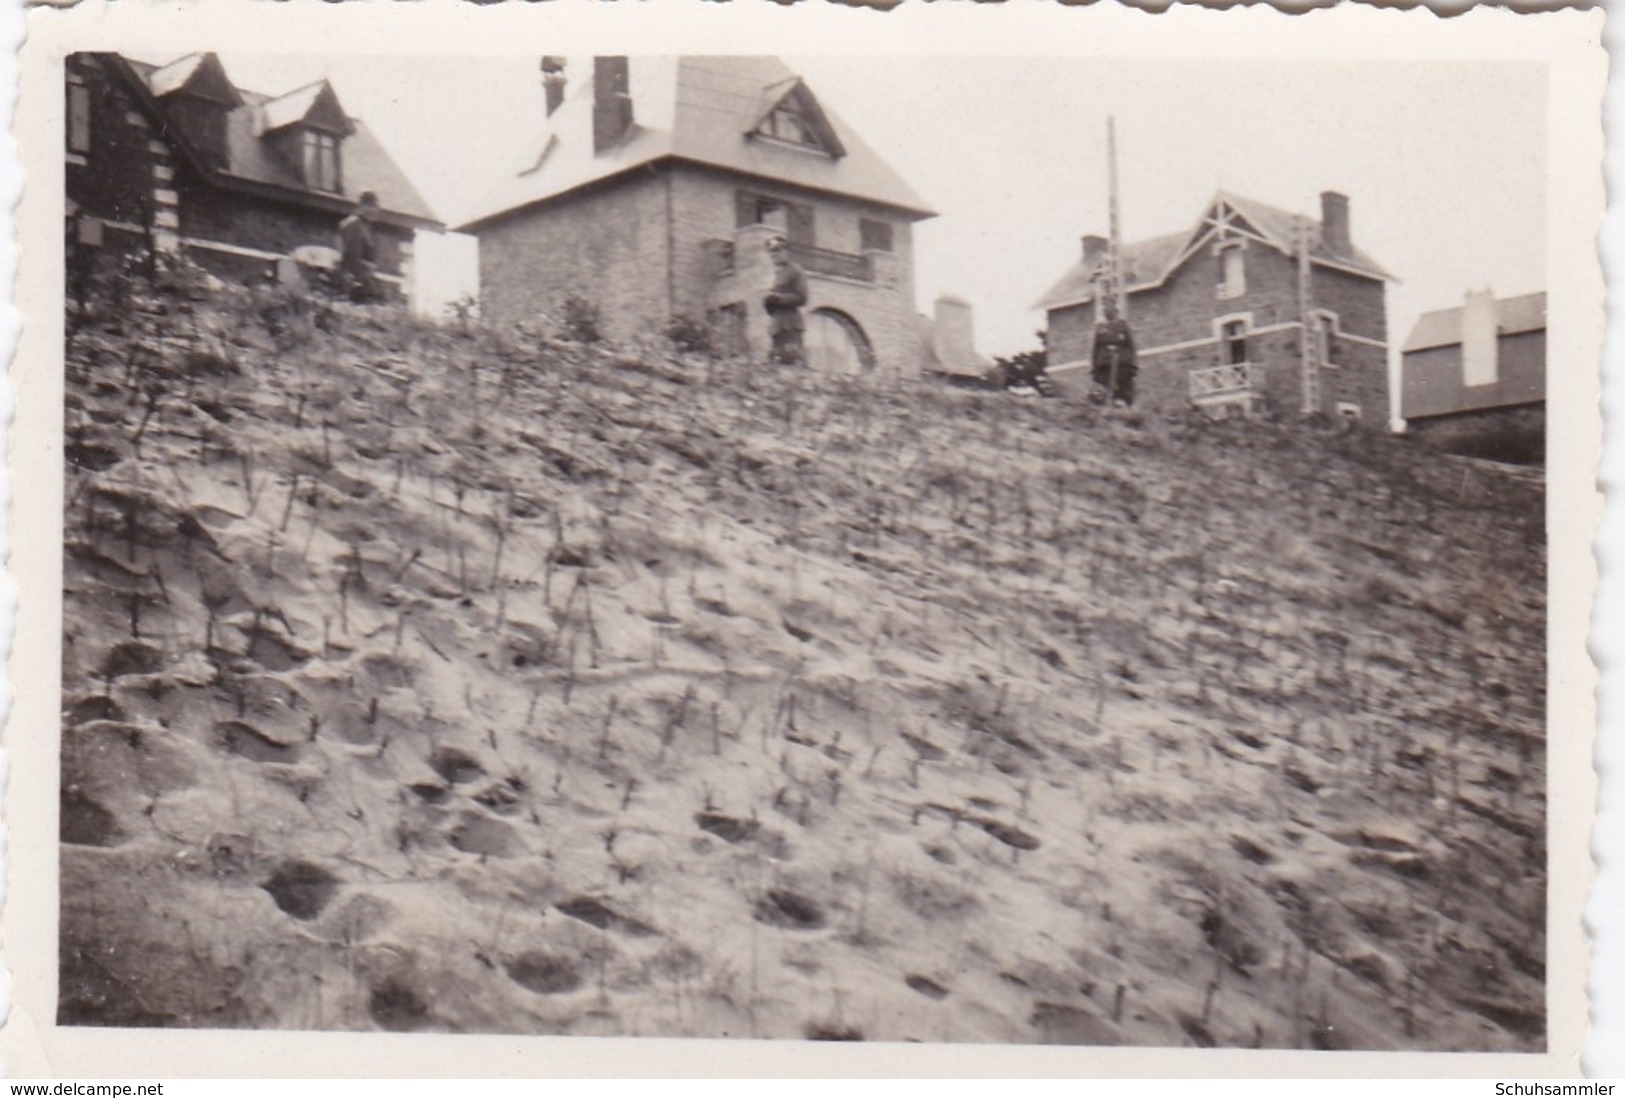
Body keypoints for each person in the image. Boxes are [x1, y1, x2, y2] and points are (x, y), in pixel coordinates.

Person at [762, 235, 808, 367]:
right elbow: (771, 308)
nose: (775, 254)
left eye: (778, 250)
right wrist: (768, 301)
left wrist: (778, 298)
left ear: (787, 251)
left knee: (793, 362)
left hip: (791, 324)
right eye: (772, 251)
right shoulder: (774, 274)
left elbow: (802, 297)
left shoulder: (796, 271)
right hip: (777, 325)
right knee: (776, 366)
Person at [1091, 298, 1138, 407]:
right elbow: (1096, 347)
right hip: (1105, 363)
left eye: (1108, 308)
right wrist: (1095, 366)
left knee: (1123, 388)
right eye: (1104, 309)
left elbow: (1131, 345)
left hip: (1121, 362)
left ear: (1114, 309)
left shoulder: (1122, 325)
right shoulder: (1100, 327)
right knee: (1107, 389)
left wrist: (1133, 364)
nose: (1106, 311)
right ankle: (1110, 406)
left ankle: (1125, 405)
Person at [337, 191, 380, 303]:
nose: (373, 210)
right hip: (354, 281)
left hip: (363, 279)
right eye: (369, 205)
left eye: (374, 206)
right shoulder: (353, 225)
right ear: (360, 206)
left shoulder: (365, 227)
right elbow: (351, 256)